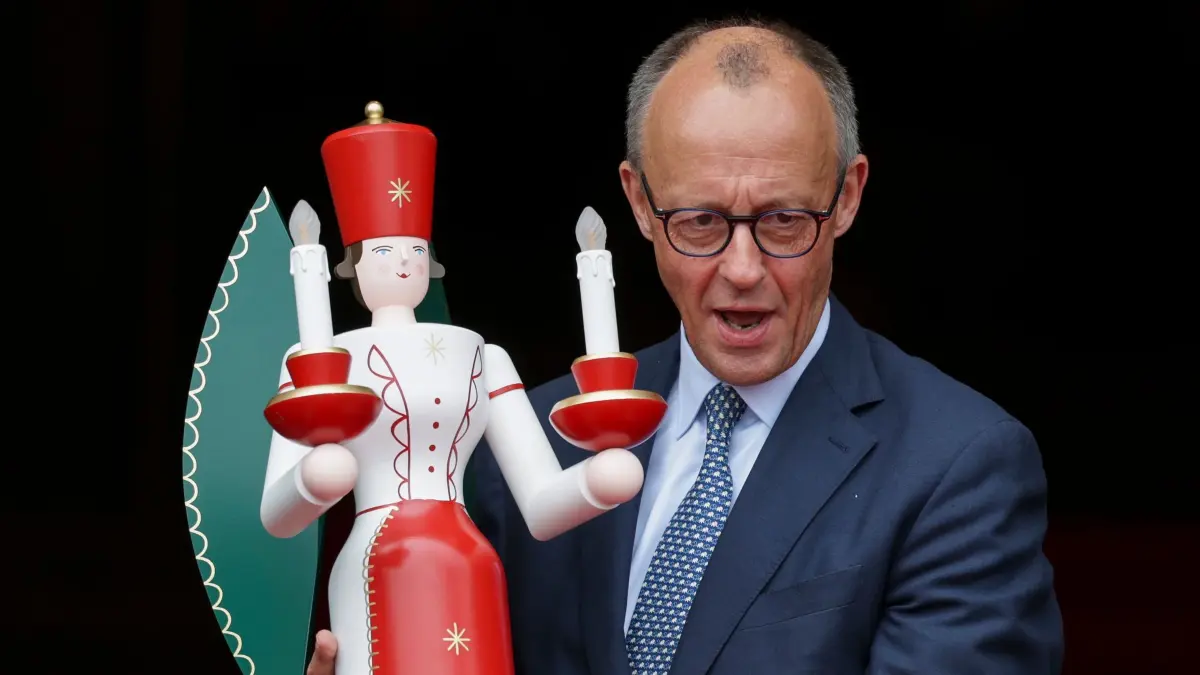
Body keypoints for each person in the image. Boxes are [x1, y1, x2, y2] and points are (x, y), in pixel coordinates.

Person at [307, 15, 1063, 675]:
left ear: (848, 196)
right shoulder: (537, 443)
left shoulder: (957, 468)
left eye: (784, 221)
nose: (743, 270)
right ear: (639, 202)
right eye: (700, 223)